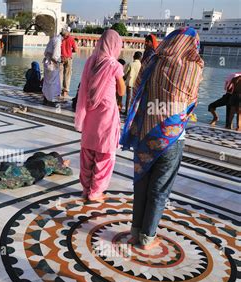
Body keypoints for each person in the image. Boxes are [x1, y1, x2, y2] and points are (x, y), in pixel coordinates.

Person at [120, 27, 204, 250]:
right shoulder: (193, 67)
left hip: (145, 132)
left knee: (142, 184)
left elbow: (137, 89)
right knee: (159, 188)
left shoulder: (152, 62)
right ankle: (148, 237)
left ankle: (135, 232)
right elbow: (191, 101)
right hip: (172, 137)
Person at [74, 29, 126, 202]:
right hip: (107, 115)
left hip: (90, 115)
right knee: (104, 155)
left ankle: (85, 189)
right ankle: (95, 192)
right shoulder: (114, 65)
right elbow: (122, 90)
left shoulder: (90, 62)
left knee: (88, 152)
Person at [42, 34, 62, 106]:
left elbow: (45, 52)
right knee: (52, 83)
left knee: (47, 82)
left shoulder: (53, 39)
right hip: (52, 64)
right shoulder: (58, 41)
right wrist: (59, 62)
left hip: (47, 62)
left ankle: (46, 98)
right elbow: (55, 56)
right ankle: (50, 100)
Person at [123, 51, 142, 115]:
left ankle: (126, 111)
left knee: (128, 98)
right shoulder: (141, 65)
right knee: (136, 99)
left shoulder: (130, 64)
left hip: (130, 83)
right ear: (140, 58)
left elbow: (125, 74)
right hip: (138, 84)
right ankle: (134, 112)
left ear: (134, 56)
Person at [60, 27, 77, 98]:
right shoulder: (71, 39)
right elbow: (75, 50)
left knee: (60, 75)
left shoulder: (60, 39)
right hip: (68, 58)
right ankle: (65, 92)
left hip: (60, 58)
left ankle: (58, 90)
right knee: (67, 75)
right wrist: (70, 51)